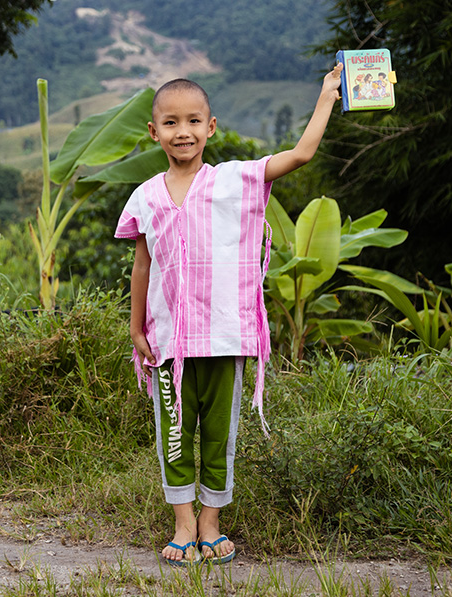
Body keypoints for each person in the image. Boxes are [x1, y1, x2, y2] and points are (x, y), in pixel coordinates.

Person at [114, 63, 344, 567]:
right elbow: (142, 265)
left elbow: (302, 154)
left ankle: (211, 523)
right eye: (171, 123)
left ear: (211, 127)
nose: (183, 132)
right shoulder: (145, 196)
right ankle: (182, 525)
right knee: (174, 435)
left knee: (219, 436)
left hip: (225, 334)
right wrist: (136, 328)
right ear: (153, 132)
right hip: (169, 342)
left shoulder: (235, 181)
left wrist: (327, 94)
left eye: (194, 121)